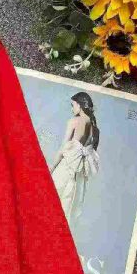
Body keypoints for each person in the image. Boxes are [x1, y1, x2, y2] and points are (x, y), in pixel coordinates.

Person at [50, 91, 100, 225]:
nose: (72, 109)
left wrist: (52, 167)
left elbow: (63, 147)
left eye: (73, 105)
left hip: (67, 166)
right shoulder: (95, 129)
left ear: (80, 105)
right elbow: (92, 152)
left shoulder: (74, 121)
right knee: (68, 205)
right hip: (80, 173)